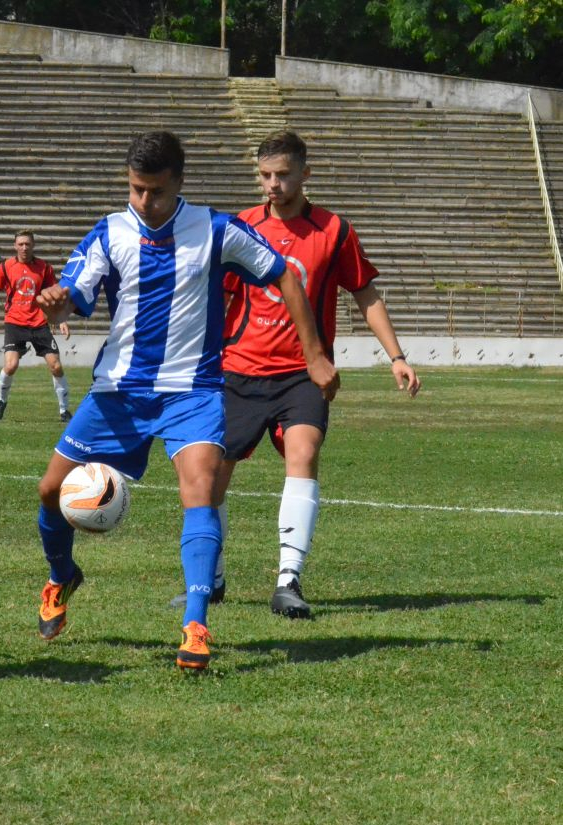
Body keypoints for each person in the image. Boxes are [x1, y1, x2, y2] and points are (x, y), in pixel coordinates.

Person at [33, 130, 338, 670]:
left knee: (200, 490)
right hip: (119, 391)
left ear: (179, 183)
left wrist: (314, 355)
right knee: (51, 489)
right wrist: (55, 303)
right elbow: (71, 299)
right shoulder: (110, 232)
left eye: (154, 190)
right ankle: (61, 576)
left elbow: (286, 275)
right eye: (135, 189)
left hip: (192, 390)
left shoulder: (218, 229)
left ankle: (196, 624)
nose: (144, 201)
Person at [171, 129, 420, 618]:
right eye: (265, 175)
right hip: (237, 371)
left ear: (305, 174)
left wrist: (396, 356)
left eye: (283, 175)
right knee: (212, 477)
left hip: (304, 373)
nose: (273, 185)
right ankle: (212, 580)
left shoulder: (334, 232)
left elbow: (365, 294)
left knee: (303, 453)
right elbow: (215, 299)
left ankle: (288, 580)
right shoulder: (239, 227)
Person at [0, 230, 72, 422]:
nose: (24, 247)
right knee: (11, 365)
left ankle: (64, 411)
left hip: (39, 323)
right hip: (15, 323)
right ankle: (0, 402)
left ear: (33, 246)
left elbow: (54, 295)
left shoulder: (44, 268)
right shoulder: (6, 267)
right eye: (20, 244)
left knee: (56, 366)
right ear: (15, 246)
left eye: (27, 244)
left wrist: (62, 320)